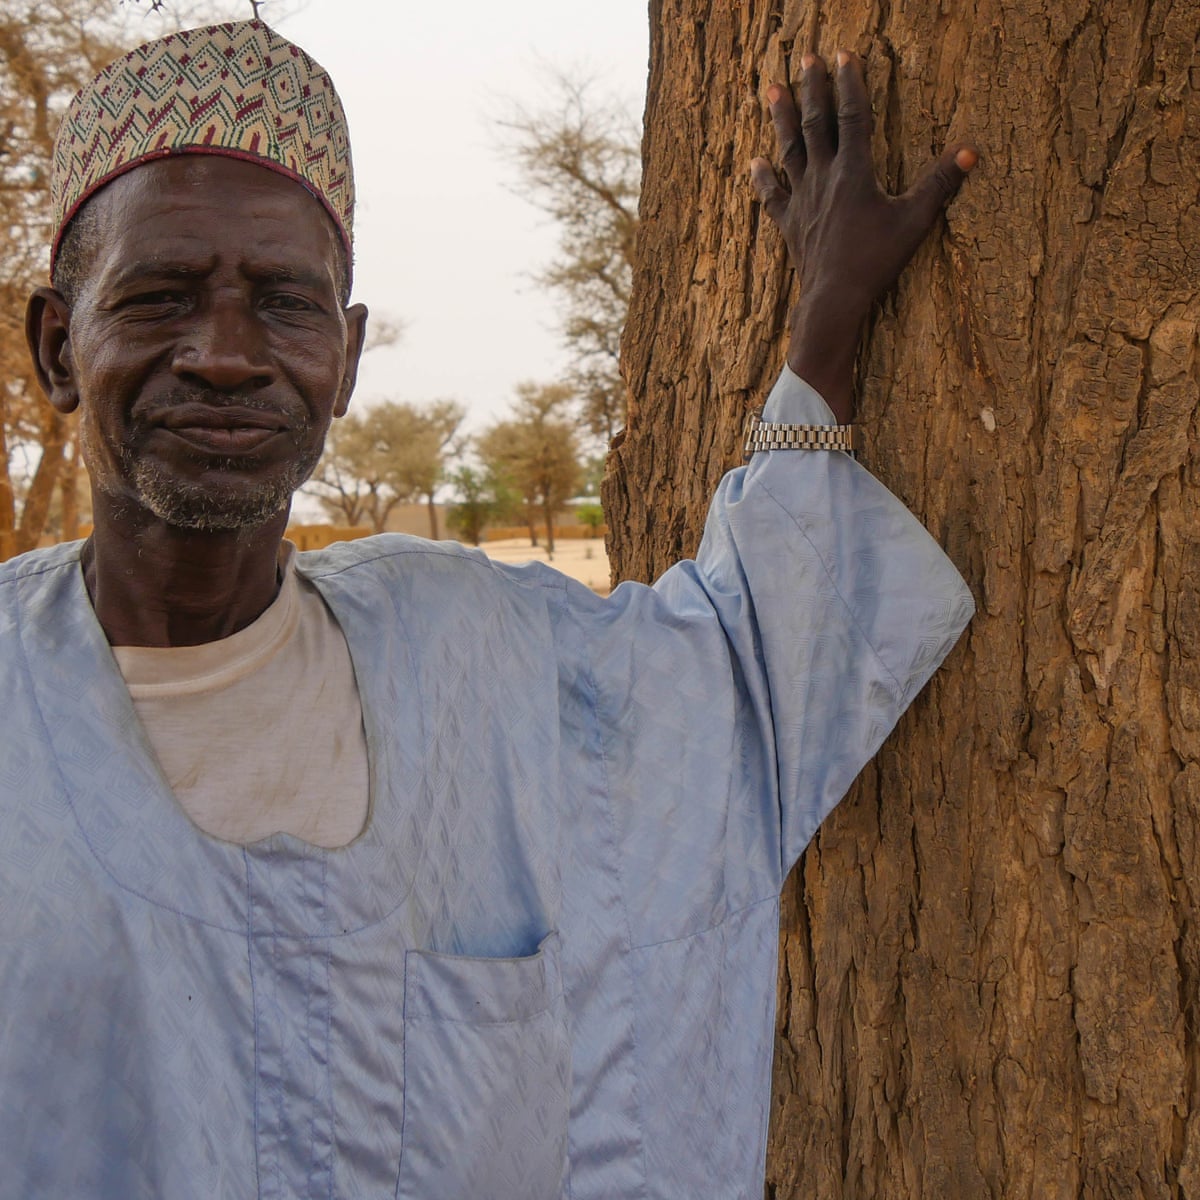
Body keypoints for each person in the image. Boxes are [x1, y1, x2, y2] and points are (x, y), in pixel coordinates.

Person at [0, 19, 976, 1200]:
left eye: (284, 303)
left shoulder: (471, 653)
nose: (223, 354)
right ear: (58, 346)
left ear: (345, 361)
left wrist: (828, 316)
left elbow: (750, 677)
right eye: (158, 297)